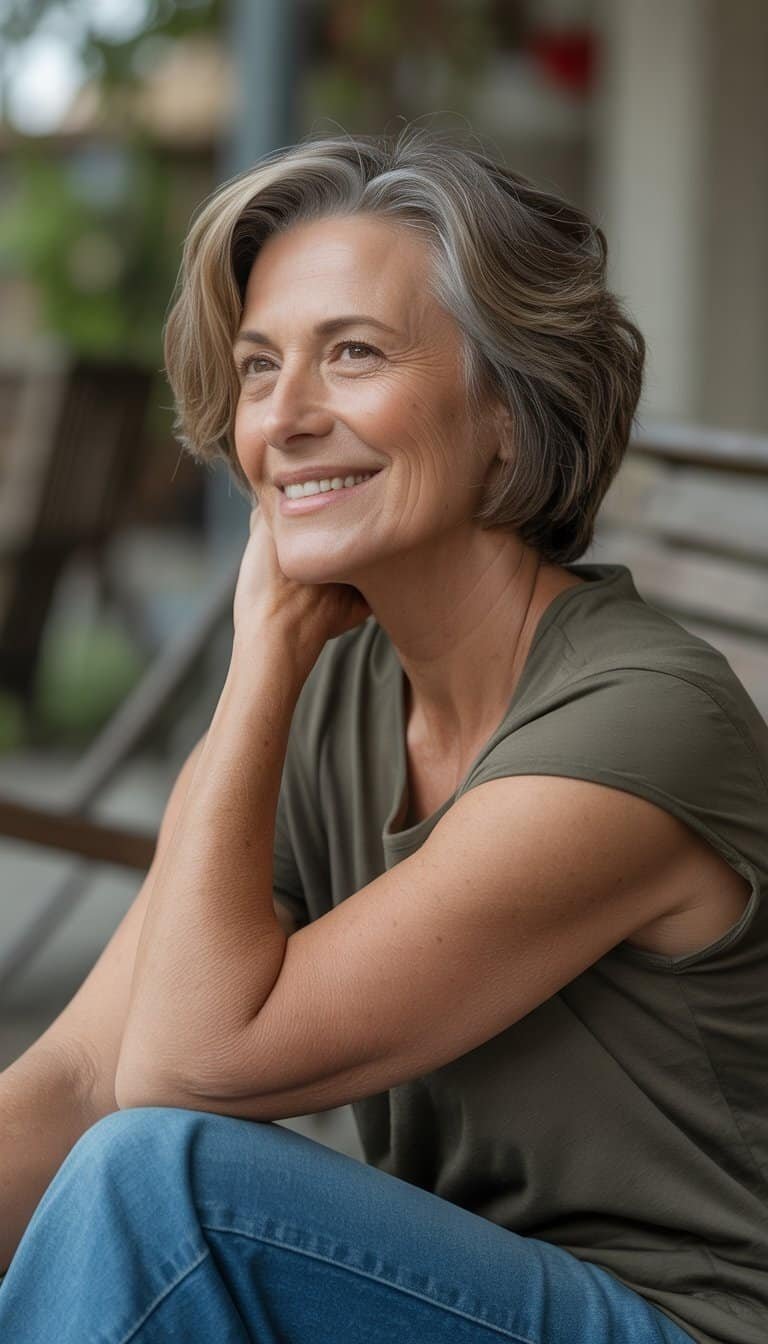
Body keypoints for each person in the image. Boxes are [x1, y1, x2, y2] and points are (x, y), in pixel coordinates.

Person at [1, 125, 766, 1344]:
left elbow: (185, 1073)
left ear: (510, 414)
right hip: (434, 1297)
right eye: (259, 367)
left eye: (352, 353)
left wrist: (258, 662)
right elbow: (86, 1071)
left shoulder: (638, 722)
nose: (284, 417)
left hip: (681, 1324)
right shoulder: (342, 694)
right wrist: (284, 676)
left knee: (164, 1192)